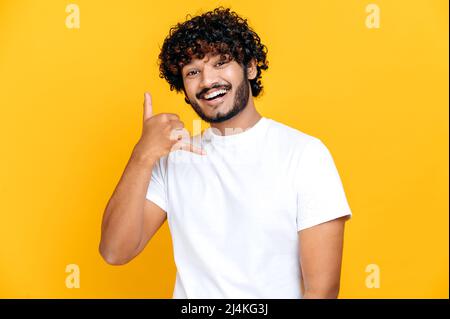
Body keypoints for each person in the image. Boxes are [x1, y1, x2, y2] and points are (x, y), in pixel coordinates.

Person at [99, 7, 352, 299]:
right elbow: (115, 251)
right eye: (193, 71)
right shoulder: (172, 160)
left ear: (251, 67)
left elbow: (322, 291)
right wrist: (141, 156)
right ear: (183, 88)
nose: (207, 81)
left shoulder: (305, 155)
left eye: (221, 63)